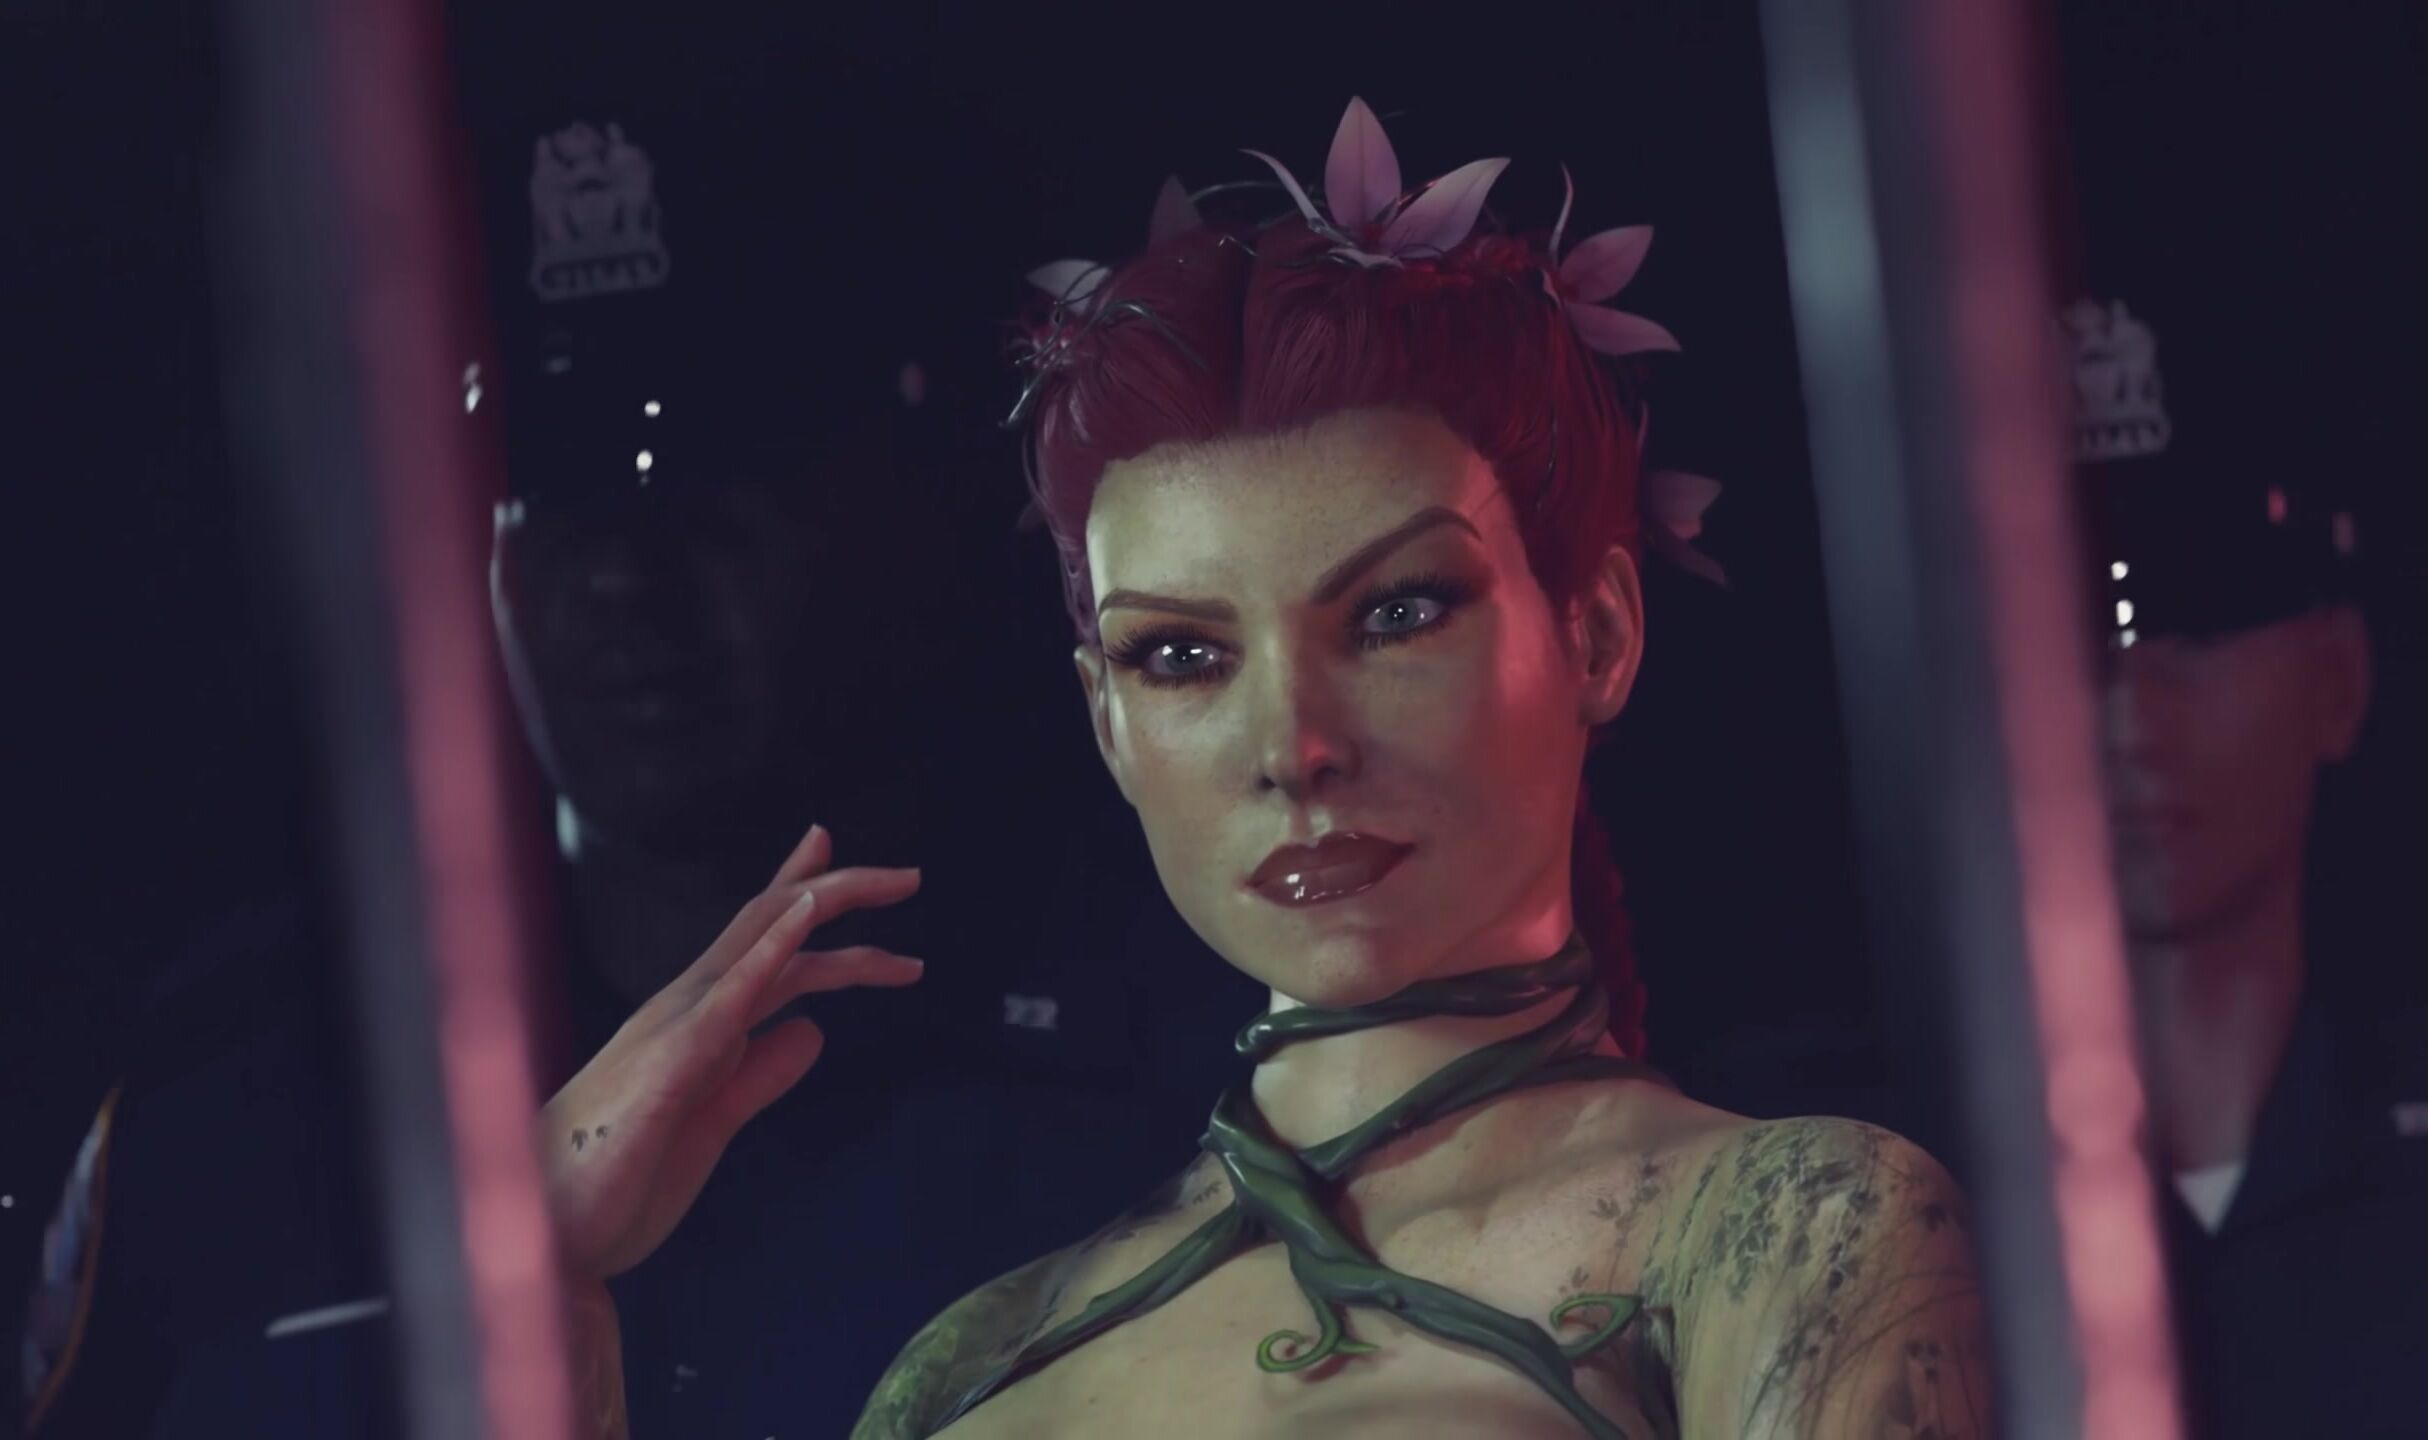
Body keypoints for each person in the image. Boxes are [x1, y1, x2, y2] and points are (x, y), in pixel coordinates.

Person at [542, 100, 1991, 1439]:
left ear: (1597, 633)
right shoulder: (976, 1355)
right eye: (1182, 656)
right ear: (1108, 722)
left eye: (1398, 614)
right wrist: (541, 1288)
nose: (1295, 746)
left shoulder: (1776, 1226)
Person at [2070, 289, 2428, 1439]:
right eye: (2072, 636)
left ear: (2339, 677)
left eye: (2200, 618)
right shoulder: (1883, 1188)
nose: (2131, 712)